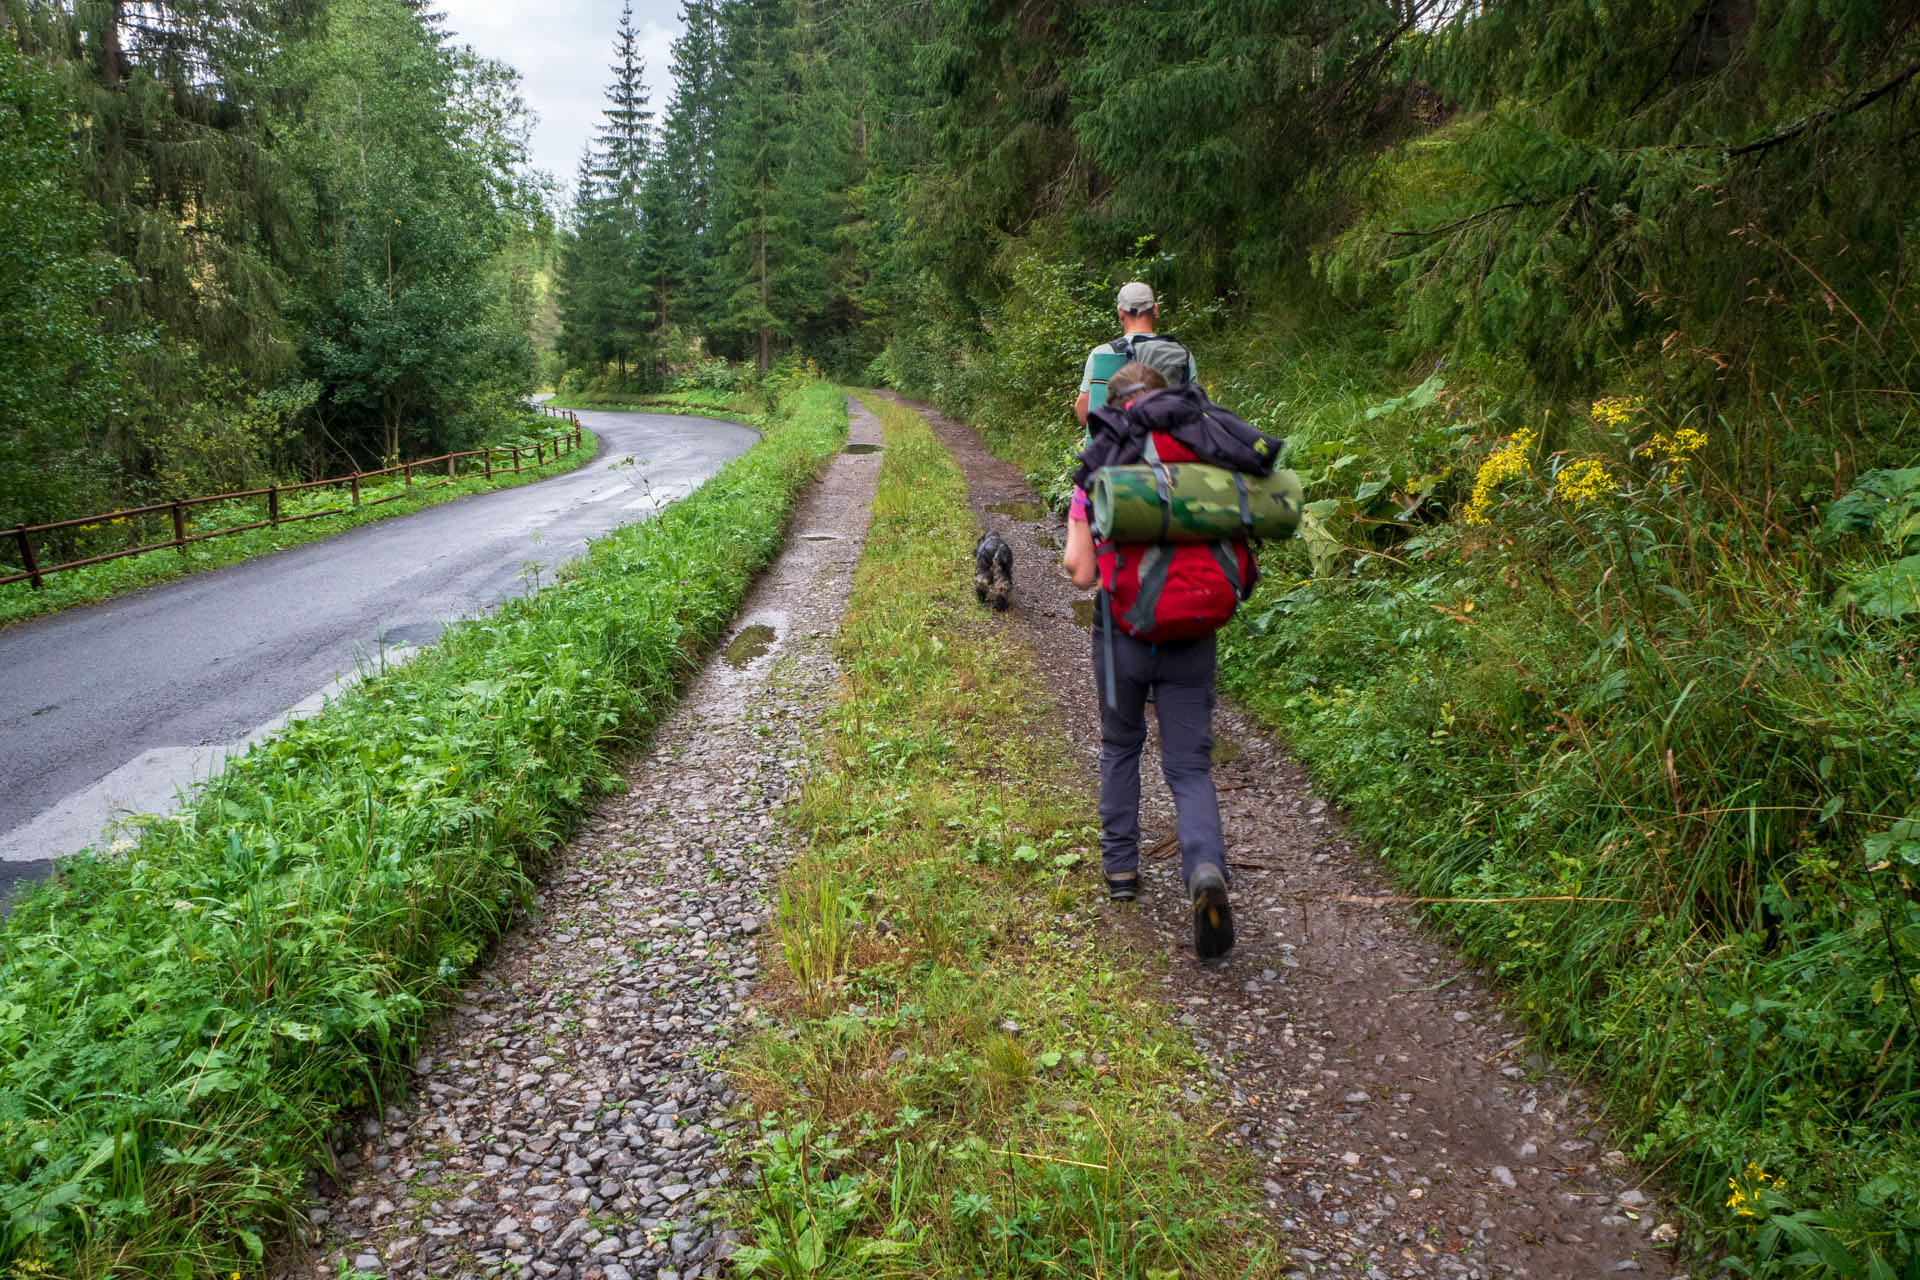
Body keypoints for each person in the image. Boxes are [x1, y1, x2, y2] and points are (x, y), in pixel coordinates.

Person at [1064, 361, 1262, 960]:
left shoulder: (1102, 458)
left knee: (1120, 746)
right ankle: (1204, 867)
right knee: (1188, 766)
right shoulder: (1207, 449)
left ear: (1114, 403)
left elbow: (1078, 572)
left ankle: (1122, 873)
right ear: (1168, 398)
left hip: (1123, 634)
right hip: (1194, 635)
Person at [1074, 282, 1198, 427]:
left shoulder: (1103, 354)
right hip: (1169, 445)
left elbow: (1084, 414)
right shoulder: (1182, 353)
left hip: (1122, 446)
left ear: (1120, 312)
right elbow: (1194, 408)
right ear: (1155, 309)